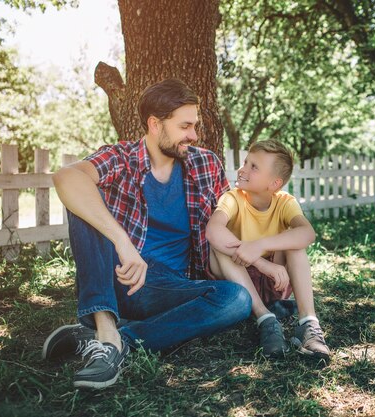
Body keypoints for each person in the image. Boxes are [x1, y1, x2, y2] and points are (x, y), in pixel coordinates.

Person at [41, 78, 252, 389]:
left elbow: (231, 223)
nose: (193, 135)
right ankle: (104, 324)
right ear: (155, 124)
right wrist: (122, 242)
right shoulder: (121, 157)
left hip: (169, 286)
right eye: (185, 127)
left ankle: (109, 340)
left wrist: (268, 256)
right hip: (118, 276)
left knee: (235, 299)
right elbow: (65, 177)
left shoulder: (205, 163)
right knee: (82, 199)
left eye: (194, 126)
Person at [205, 139, 330, 361]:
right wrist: (261, 262)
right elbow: (213, 231)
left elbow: (308, 233)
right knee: (220, 249)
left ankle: (308, 323)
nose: (243, 169)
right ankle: (267, 320)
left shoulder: (284, 202)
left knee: (295, 245)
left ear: (274, 184)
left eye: (254, 167)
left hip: (275, 281)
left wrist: (260, 245)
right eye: (246, 162)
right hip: (240, 281)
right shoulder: (233, 198)